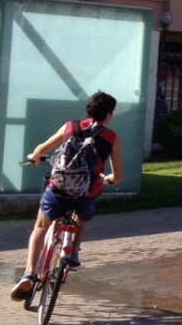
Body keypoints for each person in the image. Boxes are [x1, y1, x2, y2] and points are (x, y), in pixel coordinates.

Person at [11, 91, 123, 301]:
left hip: (58, 190)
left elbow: (42, 149)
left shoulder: (70, 126)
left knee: (40, 227)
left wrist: (34, 157)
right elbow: (117, 174)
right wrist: (111, 179)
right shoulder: (111, 138)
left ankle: (29, 273)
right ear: (108, 114)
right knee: (83, 213)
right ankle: (72, 252)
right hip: (86, 194)